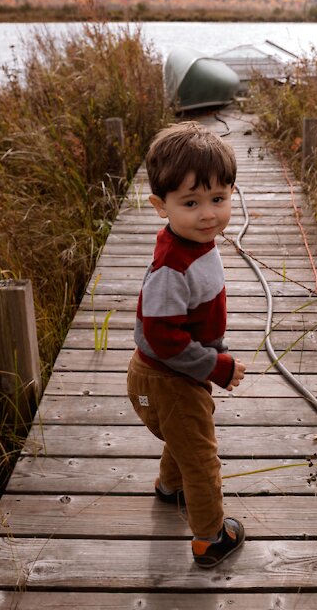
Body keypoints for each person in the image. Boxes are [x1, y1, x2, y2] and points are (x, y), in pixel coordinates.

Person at [126, 121, 248, 568]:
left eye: (218, 199)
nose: (208, 214)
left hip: (173, 374)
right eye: (191, 203)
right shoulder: (171, 268)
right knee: (202, 458)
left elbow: (194, 318)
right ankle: (210, 538)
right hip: (165, 378)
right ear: (161, 206)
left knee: (184, 437)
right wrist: (216, 366)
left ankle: (167, 487)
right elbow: (163, 338)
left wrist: (215, 349)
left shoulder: (198, 241)